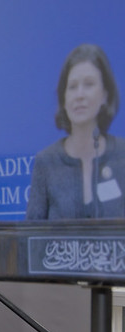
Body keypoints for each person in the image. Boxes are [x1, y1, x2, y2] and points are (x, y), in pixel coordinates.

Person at [26, 44, 125, 219]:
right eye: (72, 87)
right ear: (63, 98)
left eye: (88, 84)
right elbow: (30, 240)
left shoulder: (122, 155)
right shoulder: (46, 162)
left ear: (104, 95)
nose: (79, 95)